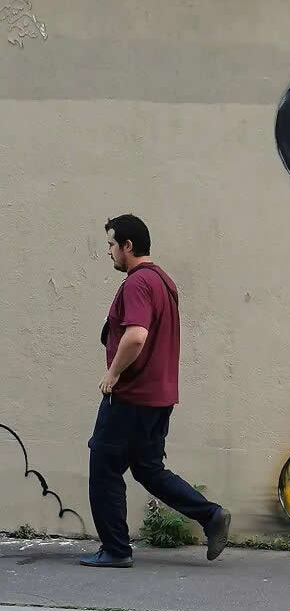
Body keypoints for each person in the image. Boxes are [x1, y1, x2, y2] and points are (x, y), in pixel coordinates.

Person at [82, 214, 230, 568]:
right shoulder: (163, 281)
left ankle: (116, 550)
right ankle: (211, 516)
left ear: (127, 246)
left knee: (103, 465)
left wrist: (113, 375)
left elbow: (136, 335)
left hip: (132, 396)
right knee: (148, 469)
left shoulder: (137, 283)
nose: (109, 253)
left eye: (111, 245)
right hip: (159, 397)